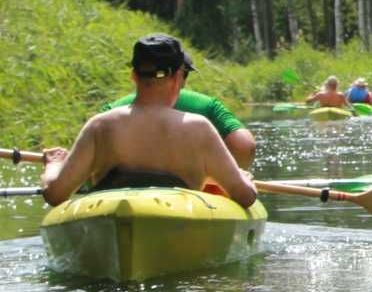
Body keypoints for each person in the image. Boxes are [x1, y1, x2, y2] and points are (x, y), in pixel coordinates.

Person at [41, 34, 257, 209]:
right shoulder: (198, 128)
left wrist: (54, 166)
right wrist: (242, 178)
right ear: (177, 79)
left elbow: (55, 195)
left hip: (110, 214)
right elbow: (245, 197)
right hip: (178, 224)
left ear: (134, 75)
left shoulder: (100, 125)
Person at [105, 60, 257, 169]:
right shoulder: (207, 106)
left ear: (135, 76)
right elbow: (245, 146)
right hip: (194, 193)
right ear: (180, 78)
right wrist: (234, 176)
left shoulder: (109, 111)